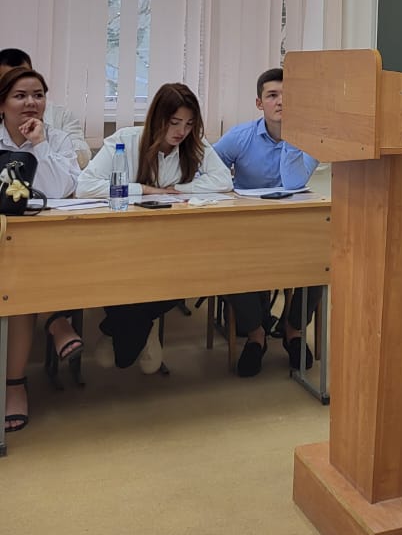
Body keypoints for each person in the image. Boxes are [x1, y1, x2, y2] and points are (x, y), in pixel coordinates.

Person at [78, 82, 232, 371]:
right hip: (123, 242)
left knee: (186, 275)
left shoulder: (193, 144)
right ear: (157, 117)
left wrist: (179, 189)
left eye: (189, 124)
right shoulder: (126, 140)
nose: (182, 131)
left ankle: (115, 330)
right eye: (174, 122)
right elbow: (85, 186)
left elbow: (224, 181)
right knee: (123, 277)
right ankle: (141, 329)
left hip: (172, 243)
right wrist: (144, 190)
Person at [214, 68, 321, 378]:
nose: (281, 102)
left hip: (292, 229)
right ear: (259, 103)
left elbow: (292, 182)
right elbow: (208, 171)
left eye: (289, 96)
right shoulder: (241, 136)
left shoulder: (311, 139)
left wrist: (292, 136)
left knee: (322, 260)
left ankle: (293, 329)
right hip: (247, 229)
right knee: (229, 262)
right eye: (273, 95)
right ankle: (256, 334)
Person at [0, 66, 82, 433]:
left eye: (38, 95)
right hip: (5, 242)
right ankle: (55, 320)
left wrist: (39, 145)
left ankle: (14, 385)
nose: (31, 103)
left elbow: (59, 190)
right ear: (2, 104)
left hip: (39, 248)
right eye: (20, 96)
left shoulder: (57, 139)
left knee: (19, 284)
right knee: (18, 275)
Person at [0, 48, 91, 168]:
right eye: (9, 80)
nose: (30, 102)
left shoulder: (60, 117)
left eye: (22, 75)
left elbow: (82, 156)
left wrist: (42, 145)